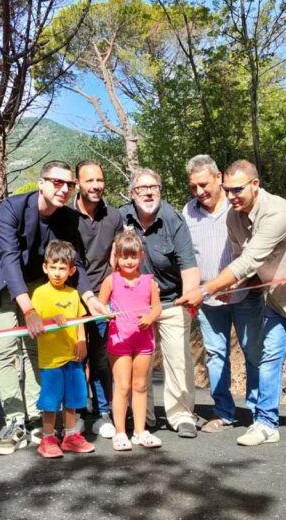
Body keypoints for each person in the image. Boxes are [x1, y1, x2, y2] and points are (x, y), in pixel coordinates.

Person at [177, 160, 286, 449]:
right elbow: (249, 267)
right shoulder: (234, 217)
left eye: (237, 190)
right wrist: (234, 286)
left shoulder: (277, 211)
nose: (230, 197)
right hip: (280, 298)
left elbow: (250, 259)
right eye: (227, 190)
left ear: (255, 185)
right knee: (269, 358)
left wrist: (205, 289)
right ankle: (266, 423)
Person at [0, 160, 108, 456]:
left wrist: (90, 299)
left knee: (37, 347)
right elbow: (9, 259)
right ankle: (13, 421)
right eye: (56, 182)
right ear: (41, 183)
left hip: (38, 280)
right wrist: (29, 311)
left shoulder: (68, 218)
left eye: (69, 184)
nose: (63, 189)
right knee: (5, 349)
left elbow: (78, 264)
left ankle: (37, 417)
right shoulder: (12, 208)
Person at [182, 155, 265, 432]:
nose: (199, 192)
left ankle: (257, 412)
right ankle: (223, 412)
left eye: (203, 184)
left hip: (245, 293)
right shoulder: (188, 212)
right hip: (208, 298)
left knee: (253, 352)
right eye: (193, 187)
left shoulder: (237, 206)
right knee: (216, 354)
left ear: (218, 178)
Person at [119, 168, 200, 438]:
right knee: (137, 362)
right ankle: (145, 416)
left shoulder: (174, 219)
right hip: (133, 305)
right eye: (142, 188)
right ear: (132, 194)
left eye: (154, 187)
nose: (149, 192)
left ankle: (181, 415)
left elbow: (188, 265)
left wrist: (189, 299)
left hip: (170, 301)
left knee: (178, 358)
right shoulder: (120, 217)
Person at [30, 240, 96, 458]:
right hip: (51, 359)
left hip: (73, 357)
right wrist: (50, 319)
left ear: (71, 270)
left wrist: (82, 341)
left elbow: (79, 321)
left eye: (62, 268)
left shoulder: (73, 294)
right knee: (51, 401)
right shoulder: (40, 293)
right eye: (53, 267)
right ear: (45, 267)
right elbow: (34, 320)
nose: (57, 273)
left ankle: (70, 436)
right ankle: (48, 438)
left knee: (73, 399)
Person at [99, 230, 163, 451]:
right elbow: (100, 306)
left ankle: (139, 431)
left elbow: (157, 307)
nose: (128, 261)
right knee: (122, 386)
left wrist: (150, 317)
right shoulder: (111, 281)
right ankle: (120, 432)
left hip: (144, 341)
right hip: (119, 342)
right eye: (124, 256)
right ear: (116, 257)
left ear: (141, 256)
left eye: (133, 256)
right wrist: (106, 312)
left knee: (140, 385)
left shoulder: (149, 282)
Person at [72, 160, 123, 438]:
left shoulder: (113, 216)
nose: (96, 186)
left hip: (103, 297)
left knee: (101, 358)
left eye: (99, 180)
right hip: (73, 296)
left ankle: (103, 412)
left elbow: (116, 258)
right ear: (78, 184)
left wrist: (108, 293)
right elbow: (70, 261)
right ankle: (79, 409)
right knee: (76, 356)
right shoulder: (66, 216)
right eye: (89, 180)